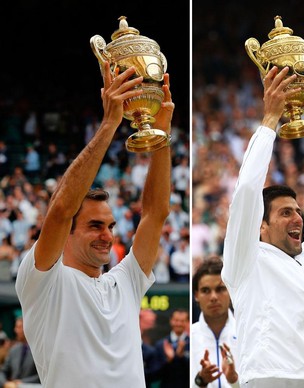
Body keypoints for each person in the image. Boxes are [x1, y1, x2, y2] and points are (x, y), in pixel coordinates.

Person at [15, 62, 174, 387]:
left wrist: (160, 136)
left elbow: (155, 214)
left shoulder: (125, 281)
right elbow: (60, 210)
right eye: (94, 226)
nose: (107, 236)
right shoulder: (44, 282)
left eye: (110, 226)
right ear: (67, 234)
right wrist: (110, 124)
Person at [221, 65, 304, 386]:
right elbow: (248, 191)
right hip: (271, 377)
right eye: (284, 213)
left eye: (297, 211)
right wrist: (269, 122)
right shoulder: (245, 259)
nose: (297, 218)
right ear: (260, 227)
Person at [191, 256, 239, 388]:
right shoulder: (189, 337)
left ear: (230, 291)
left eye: (220, 289)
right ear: (196, 295)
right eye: (205, 290)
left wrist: (234, 380)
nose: (213, 297)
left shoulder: (247, 333)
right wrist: (201, 381)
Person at [153, 308, 190, 387]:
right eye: (176, 320)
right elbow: (154, 374)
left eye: (182, 321)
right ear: (171, 321)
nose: (179, 324)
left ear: (187, 322)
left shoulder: (193, 343)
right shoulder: (161, 344)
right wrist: (168, 360)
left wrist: (182, 357)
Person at [0, 317, 40, 387]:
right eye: (16, 327)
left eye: (19, 327)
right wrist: (5, 383)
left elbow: (42, 375)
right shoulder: (14, 350)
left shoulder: (38, 350)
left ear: (28, 328)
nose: (15, 330)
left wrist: (21, 382)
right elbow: (3, 371)